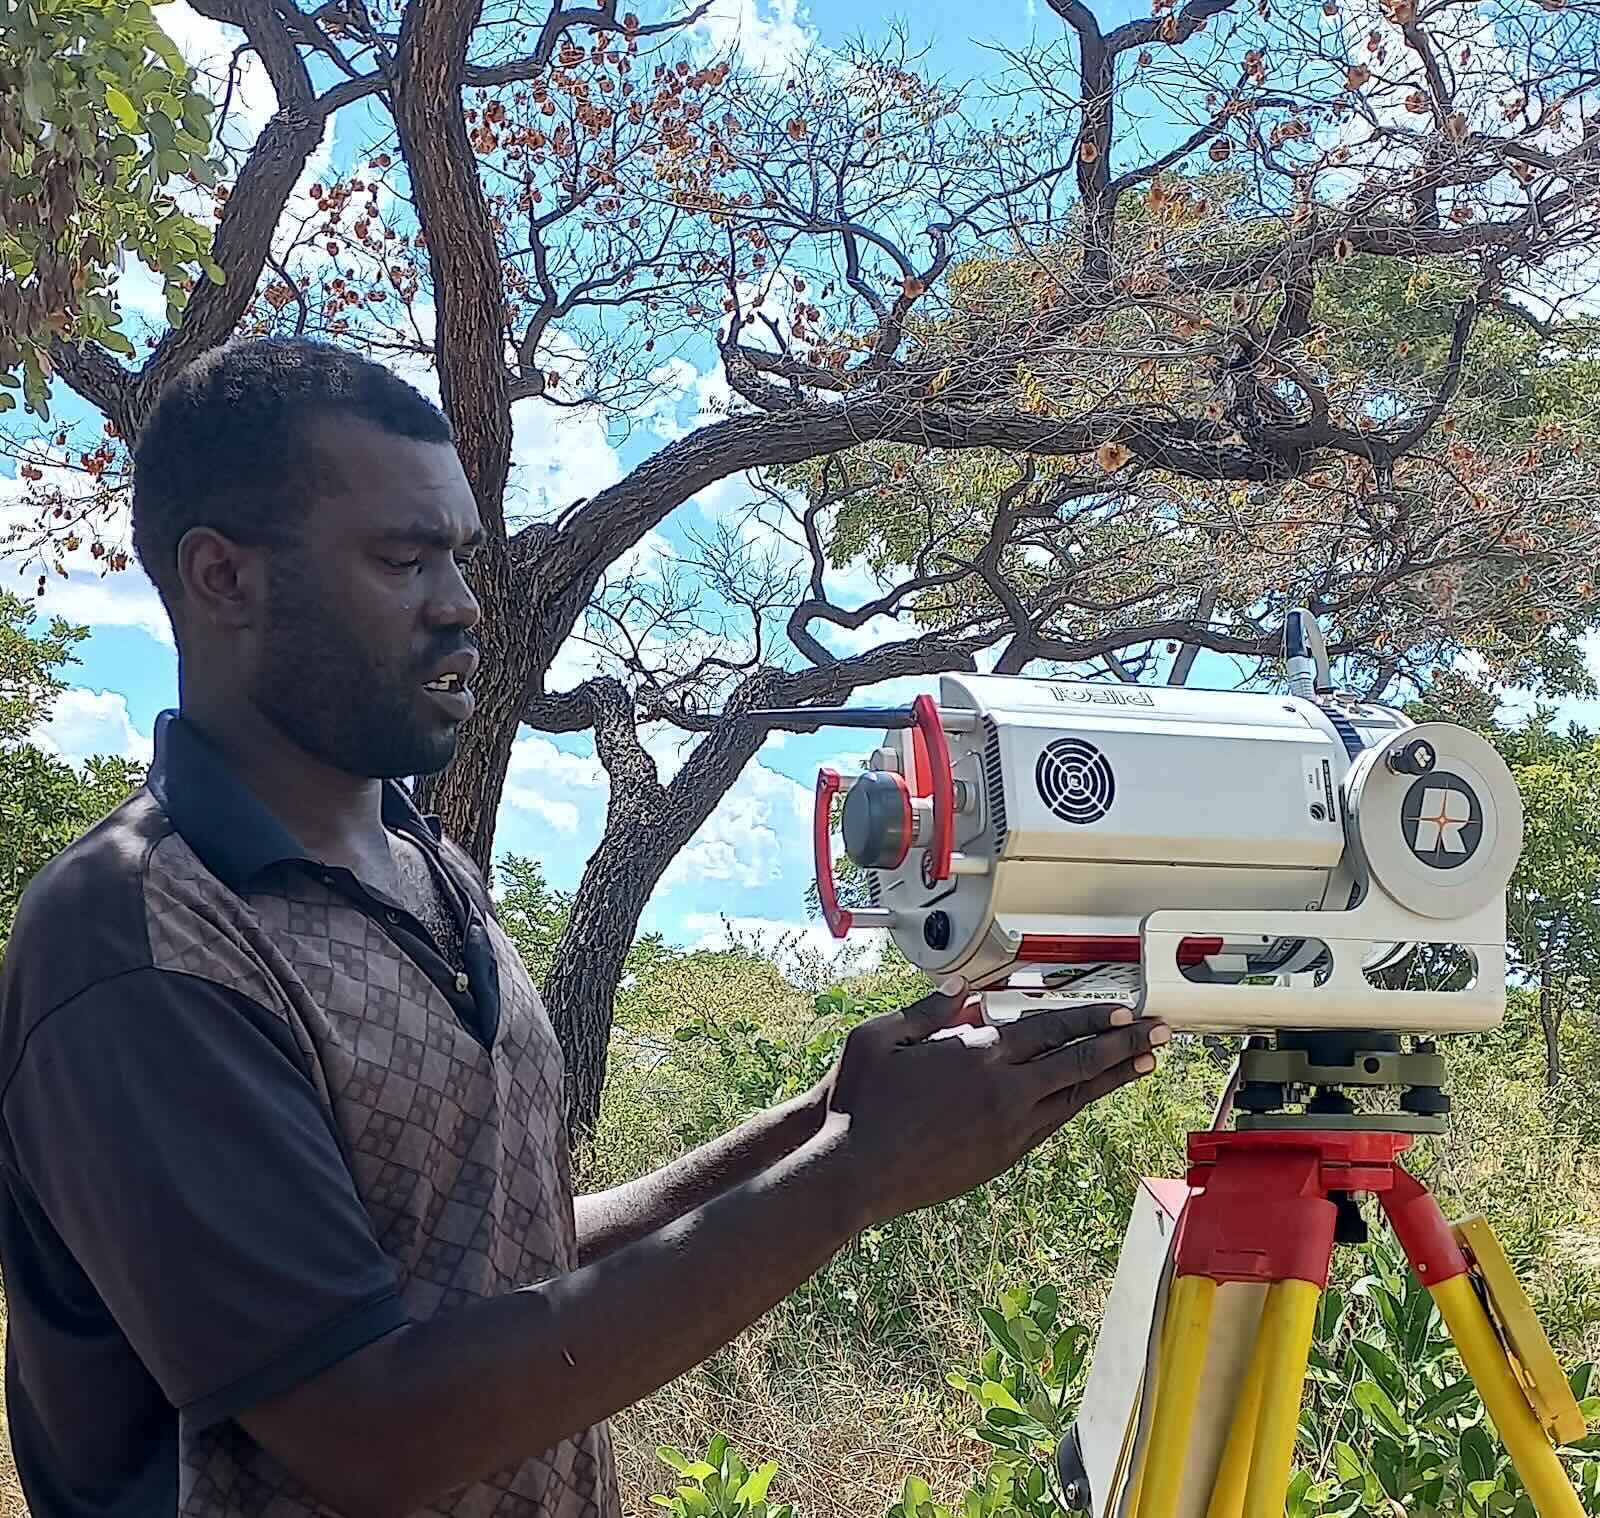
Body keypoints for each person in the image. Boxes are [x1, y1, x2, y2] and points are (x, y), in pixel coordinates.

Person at [0, 337, 1169, 1518]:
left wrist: (828, 1117)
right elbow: (367, 1426)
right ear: (222, 579)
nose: (461, 604)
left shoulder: (425, 864)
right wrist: (854, 1177)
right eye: (404, 561)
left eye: (459, 555)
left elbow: (508, 1260)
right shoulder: (141, 939)